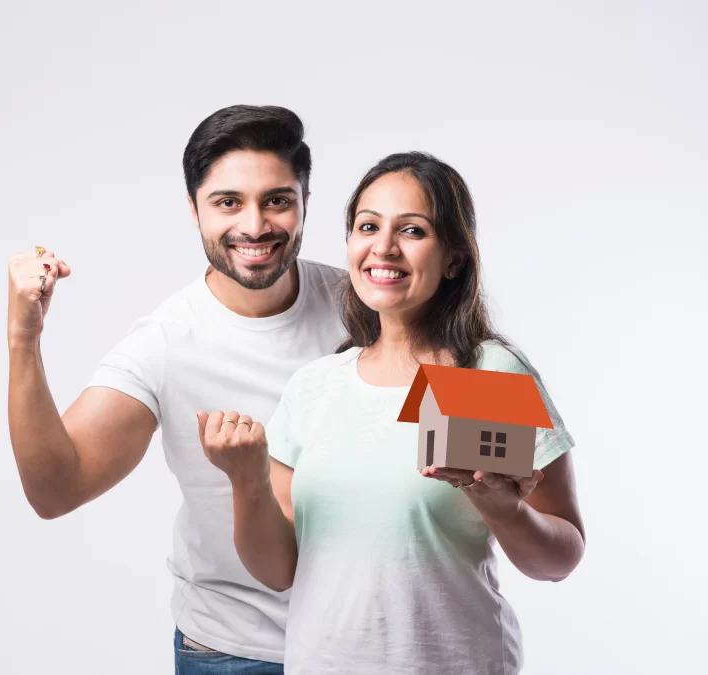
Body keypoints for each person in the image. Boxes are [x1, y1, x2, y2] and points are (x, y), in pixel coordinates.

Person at [199, 151, 587, 674]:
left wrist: (503, 508)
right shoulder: (317, 385)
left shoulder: (480, 374)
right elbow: (279, 570)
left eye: (412, 230)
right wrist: (247, 481)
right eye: (367, 226)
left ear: (454, 257)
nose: (383, 247)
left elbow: (558, 561)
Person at [5, 105, 349, 672]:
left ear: (305, 203)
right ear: (193, 210)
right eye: (228, 202)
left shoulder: (364, 309)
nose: (255, 225)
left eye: (277, 200)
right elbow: (54, 491)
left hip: (373, 643)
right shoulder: (166, 344)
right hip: (236, 651)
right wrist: (24, 338)